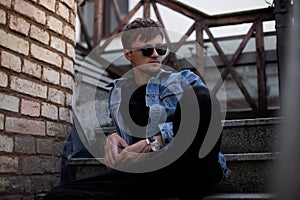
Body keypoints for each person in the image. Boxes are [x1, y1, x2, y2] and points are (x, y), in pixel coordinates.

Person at [44, 17, 229, 200]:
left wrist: (155, 141)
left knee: (201, 97)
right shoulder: (116, 91)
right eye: (148, 49)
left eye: (160, 48)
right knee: (58, 196)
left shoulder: (184, 79)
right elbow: (120, 139)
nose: (156, 54)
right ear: (128, 54)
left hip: (192, 166)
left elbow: (206, 117)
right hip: (147, 173)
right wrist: (111, 137)